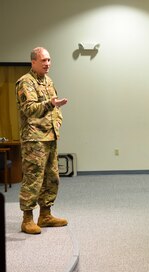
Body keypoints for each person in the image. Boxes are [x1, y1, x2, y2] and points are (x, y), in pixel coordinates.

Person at [16, 47, 68, 235]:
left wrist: (58, 121)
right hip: (34, 139)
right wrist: (50, 104)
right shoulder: (25, 82)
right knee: (33, 179)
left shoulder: (48, 81)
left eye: (49, 60)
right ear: (33, 62)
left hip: (50, 136)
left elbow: (55, 108)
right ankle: (27, 219)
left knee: (51, 178)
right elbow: (29, 109)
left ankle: (45, 215)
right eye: (43, 60)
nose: (47, 64)